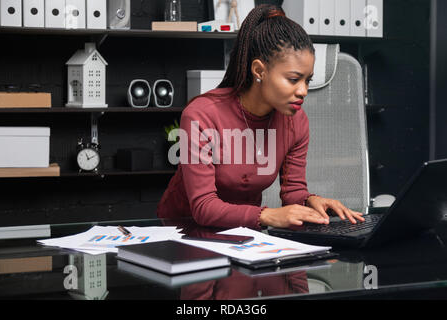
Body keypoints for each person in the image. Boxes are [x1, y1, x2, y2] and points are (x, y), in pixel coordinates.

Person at [156, 4, 365, 230]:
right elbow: (204, 207)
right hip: (183, 232)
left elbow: (293, 192)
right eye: (294, 79)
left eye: (308, 80)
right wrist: (268, 215)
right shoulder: (202, 114)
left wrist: (309, 201)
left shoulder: (296, 120)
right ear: (259, 71)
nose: (303, 91)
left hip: (246, 234)